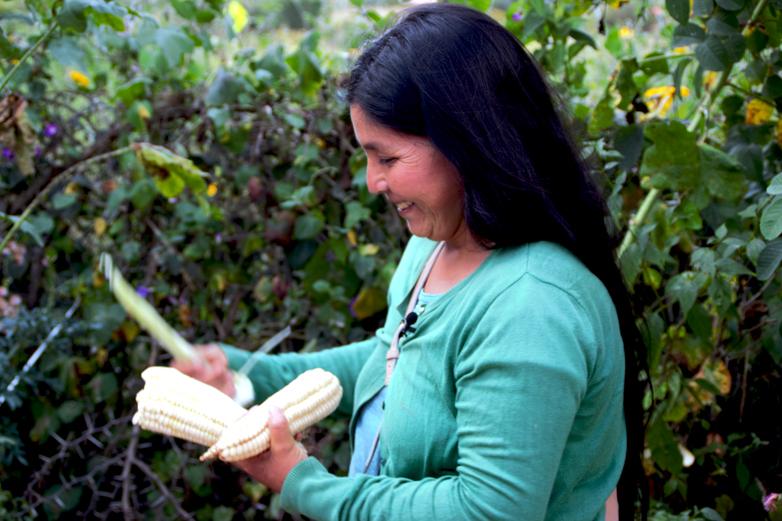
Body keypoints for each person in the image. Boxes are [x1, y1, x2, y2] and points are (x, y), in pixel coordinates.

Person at [173, 4, 648, 520]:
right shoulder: (435, 244)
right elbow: (391, 364)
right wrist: (248, 378)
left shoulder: (533, 305)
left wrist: (304, 483)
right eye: (368, 157)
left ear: (467, 140)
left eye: (388, 158)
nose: (374, 182)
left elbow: (489, 512)